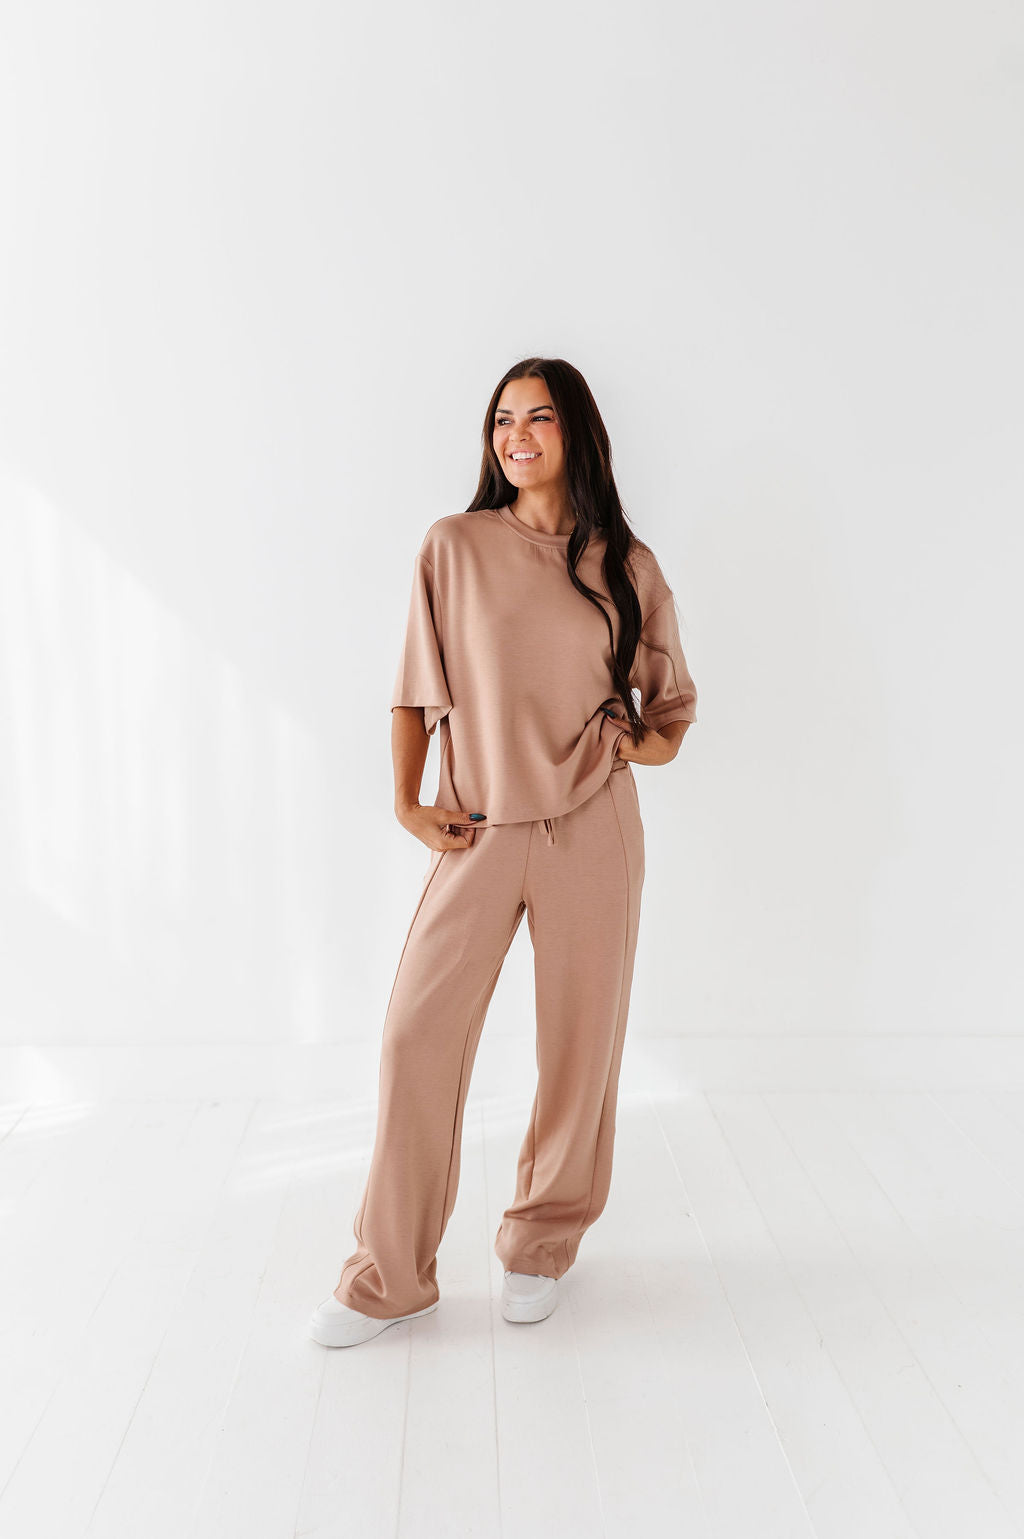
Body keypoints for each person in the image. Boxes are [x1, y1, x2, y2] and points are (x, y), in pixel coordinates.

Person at [309, 356, 698, 1348]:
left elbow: (672, 709)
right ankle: (391, 1275)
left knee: (579, 1050)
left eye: (538, 418)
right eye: (502, 421)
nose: (516, 436)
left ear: (577, 432)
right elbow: (414, 690)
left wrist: (632, 746)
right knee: (414, 1038)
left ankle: (540, 1243)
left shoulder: (626, 563)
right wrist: (408, 803)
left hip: (592, 831)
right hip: (478, 830)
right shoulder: (454, 546)